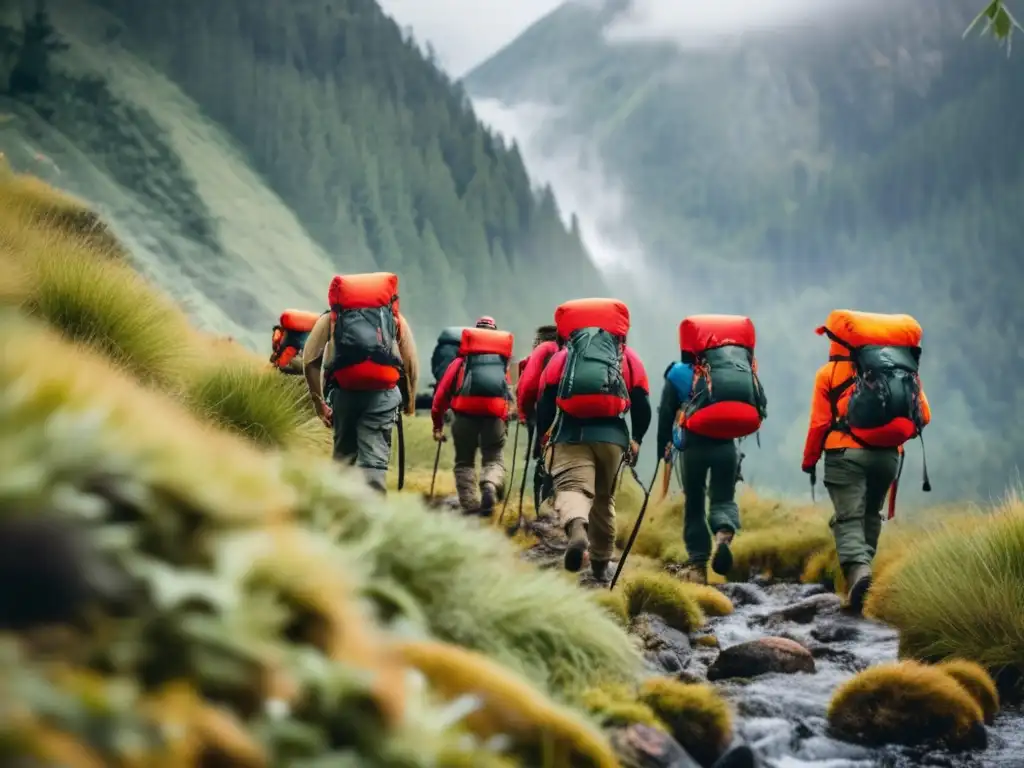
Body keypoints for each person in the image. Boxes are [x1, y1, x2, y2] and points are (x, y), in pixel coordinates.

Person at [801, 309, 931, 614]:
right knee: (872, 515)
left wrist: (809, 460)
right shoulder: (905, 372)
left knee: (847, 518)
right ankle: (863, 588)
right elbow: (924, 415)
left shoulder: (828, 375)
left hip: (845, 455)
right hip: (888, 456)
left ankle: (859, 574)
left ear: (838, 341)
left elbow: (819, 424)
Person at [535, 299, 651, 580]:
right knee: (603, 500)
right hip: (612, 438)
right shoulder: (628, 358)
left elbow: (546, 397)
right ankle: (600, 565)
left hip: (571, 433)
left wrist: (542, 435)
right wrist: (636, 439)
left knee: (573, 487)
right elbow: (642, 403)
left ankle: (576, 528)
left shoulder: (564, 356)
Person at [656, 315, 767, 585]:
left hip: (693, 448)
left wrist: (663, 449)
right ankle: (723, 534)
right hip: (726, 449)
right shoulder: (739, 370)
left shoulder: (679, 373)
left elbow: (666, 415)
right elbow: (761, 404)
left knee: (694, 503)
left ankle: (697, 567)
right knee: (724, 499)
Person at [302, 272, 418, 494]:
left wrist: (319, 405)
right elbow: (410, 362)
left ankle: (337, 511)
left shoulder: (332, 319)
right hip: (383, 395)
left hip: (344, 394)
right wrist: (409, 403)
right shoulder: (394, 320)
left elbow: (309, 361)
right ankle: (371, 512)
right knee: (373, 458)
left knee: (343, 456)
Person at [431, 321, 514, 516]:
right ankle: (490, 485)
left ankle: (470, 505)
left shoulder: (461, 362)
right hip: (493, 417)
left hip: (464, 415)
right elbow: (507, 392)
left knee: (464, 460)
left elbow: (442, 393)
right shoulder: (501, 364)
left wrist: (437, 424)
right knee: (493, 457)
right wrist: (507, 415)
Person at [515, 323, 560, 507]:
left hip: (543, 412)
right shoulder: (568, 351)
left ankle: (541, 503)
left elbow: (528, 386)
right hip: (571, 414)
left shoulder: (543, 351)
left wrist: (523, 412)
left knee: (541, 457)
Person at [269, 309, 320, 375]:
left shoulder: (285, 343)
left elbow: (283, 362)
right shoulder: (288, 330)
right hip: (316, 335)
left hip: (314, 344)